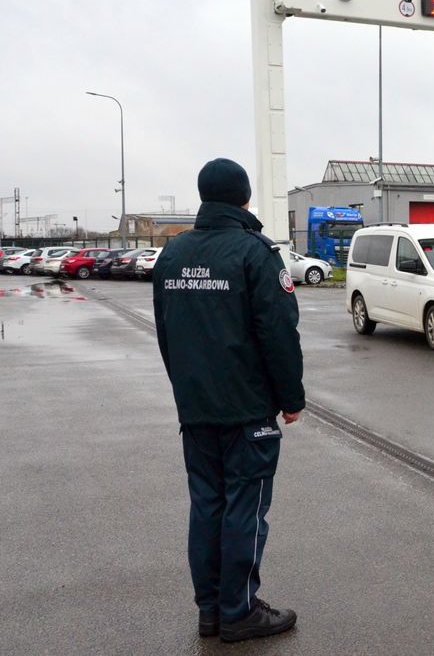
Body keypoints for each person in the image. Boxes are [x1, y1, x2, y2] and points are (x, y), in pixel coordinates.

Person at [152, 158, 305, 642]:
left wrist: (188, 389)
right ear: (243, 197)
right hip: (246, 412)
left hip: (196, 409)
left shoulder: (173, 255)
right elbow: (278, 333)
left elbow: (166, 333)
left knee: (207, 506)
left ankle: (211, 612)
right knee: (244, 508)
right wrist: (290, 398)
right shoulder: (255, 252)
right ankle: (237, 612)